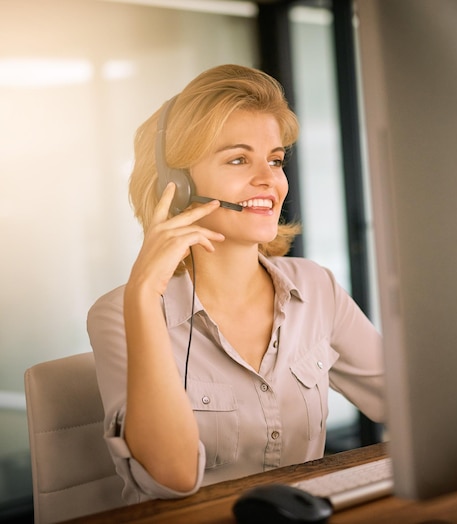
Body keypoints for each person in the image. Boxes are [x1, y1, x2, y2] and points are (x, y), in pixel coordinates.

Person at [87, 63, 385, 504]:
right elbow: (170, 477)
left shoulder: (316, 287)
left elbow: (411, 404)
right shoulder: (120, 312)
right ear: (178, 185)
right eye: (239, 159)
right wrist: (144, 296)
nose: (270, 179)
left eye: (276, 160)